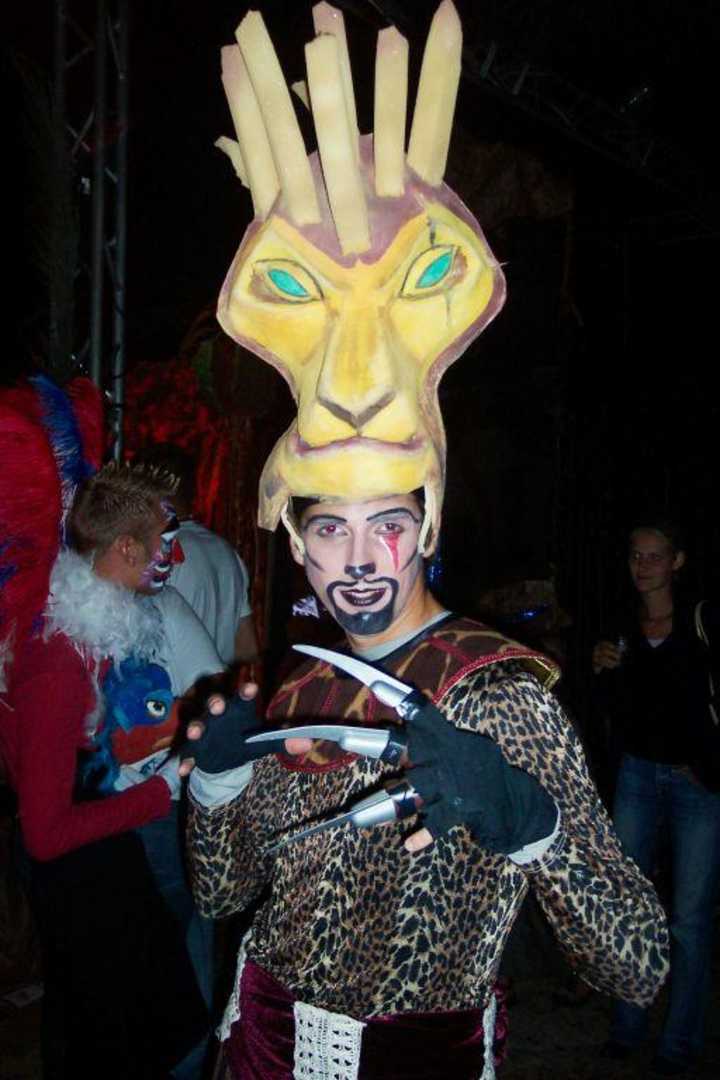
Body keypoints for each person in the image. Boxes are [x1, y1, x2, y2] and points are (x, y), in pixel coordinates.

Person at [182, 5, 669, 1075]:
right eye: (331, 529)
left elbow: (639, 962)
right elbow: (221, 895)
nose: (360, 559)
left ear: (429, 525)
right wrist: (213, 784)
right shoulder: (299, 687)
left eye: (389, 525)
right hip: (259, 1053)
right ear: (296, 544)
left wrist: (529, 820)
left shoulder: (497, 697)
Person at [1, 457, 223, 1078]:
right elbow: (45, 835)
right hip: (80, 876)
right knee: (124, 1035)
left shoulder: (92, 632)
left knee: (127, 1025)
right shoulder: (59, 658)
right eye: (166, 542)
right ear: (126, 548)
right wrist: (160, 791)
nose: (176, 556)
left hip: (101, 857)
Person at [593, 522, 720, 1076]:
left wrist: (709, 763)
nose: (643, 565)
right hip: (638, 777)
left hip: (697, 785)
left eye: (654, 556)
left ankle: (678, 1043)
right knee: (631, 906)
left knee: (689, 919)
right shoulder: (622, 625)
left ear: (677, 561)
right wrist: (601, 669)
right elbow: (617, 706)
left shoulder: (702, 621)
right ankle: (627, 1026)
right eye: (635, 555)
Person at [131, 443, 258, 665]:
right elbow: (247, 648)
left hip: (166, 685)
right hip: (214, 685)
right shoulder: (227, 552)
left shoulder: (157, 552)